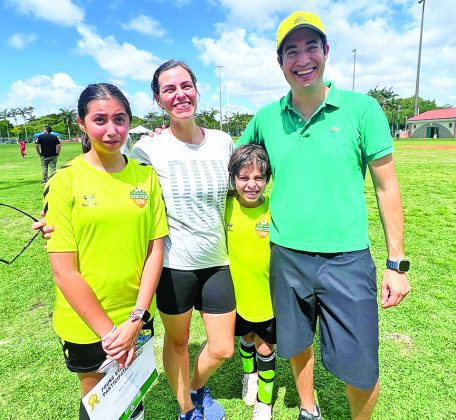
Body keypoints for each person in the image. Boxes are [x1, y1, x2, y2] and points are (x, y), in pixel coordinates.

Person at [236, 11, 411, 420]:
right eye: (291, 51)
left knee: (362, 365)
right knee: (296, 343)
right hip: (286, 256)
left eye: (311, 46)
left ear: (326, 51)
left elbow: (388, 187)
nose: (303, 58)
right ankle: (308, 408)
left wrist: (396, 264)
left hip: (347, 259)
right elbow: (233, 163)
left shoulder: (362, 109)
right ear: (280, 62)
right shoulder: (266, 117)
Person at [44, 83, 168, 420]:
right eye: (100, 120)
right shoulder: (65, 181)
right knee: (99, 400)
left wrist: (135, 319)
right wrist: (110, 334)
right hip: (85, 323)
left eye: (120, 119)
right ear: (82, 124)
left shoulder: (146, 177)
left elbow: (154, 250)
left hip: (136, 315)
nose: (112, 130)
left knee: (133, 390)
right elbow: (64, 271)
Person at [130, 60, 235, 420]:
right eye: (169, 89)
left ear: (196, 89)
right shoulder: (147, 150)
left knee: (222, 348)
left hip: (219, 261)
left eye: (185, 86)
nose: (180, 95)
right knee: (177, 342)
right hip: (174, 265)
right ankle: (188, 409)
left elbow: (245, 189)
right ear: (159, 100)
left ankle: (192, 385)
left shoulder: (223, 142)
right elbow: (114, 184)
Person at [226, 144, 276, 420]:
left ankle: (265, 401)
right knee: (246, 338)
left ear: (267, 180)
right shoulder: (226, 206)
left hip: (267, 296)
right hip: (237, 295)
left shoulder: (274, 208)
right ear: (233, 178)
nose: (251, 184)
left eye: (258, 178)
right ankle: (250, 375)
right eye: (244, 178)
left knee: (266, 347)